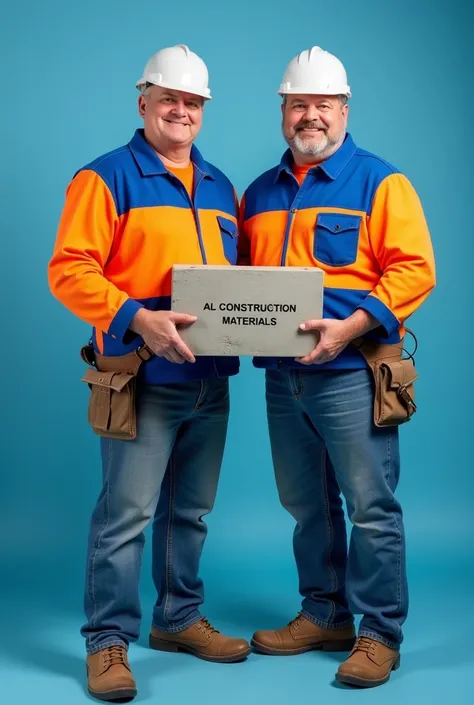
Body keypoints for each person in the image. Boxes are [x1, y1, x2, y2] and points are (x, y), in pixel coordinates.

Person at [48, 44, 250, 702]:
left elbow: (240, 283)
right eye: (171, 98)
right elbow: (71, 270)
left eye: (193, 102)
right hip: (138, 377)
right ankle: (107, 641)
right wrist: (138, 317)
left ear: (204, 111)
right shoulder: (104, 178)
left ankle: (179, 618)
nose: (182, 111)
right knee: (126, 515)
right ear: (144, 102)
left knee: (189, 512)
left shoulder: (222, 187)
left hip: (211, 378)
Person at [238, 46, 436, 688]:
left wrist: (351, 326)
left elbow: (414, 270)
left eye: (323, 104)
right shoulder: (259, 194)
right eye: (299, 104)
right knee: (306, 504)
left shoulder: (382, 182)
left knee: (370, 504)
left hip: (352, 371)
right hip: (282, 375)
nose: (310, 116)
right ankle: (324, 613)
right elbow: (237, 281)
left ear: (344, 109)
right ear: (283, 110)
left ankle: (379, 633)